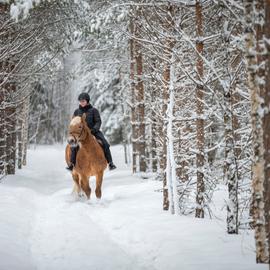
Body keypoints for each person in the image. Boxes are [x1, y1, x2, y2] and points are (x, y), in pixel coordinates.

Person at [66, 92, 117, 171]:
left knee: (105, 143)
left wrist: (94, 129)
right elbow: (74, 122)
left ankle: (110, 163)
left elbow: (98, 121)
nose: (82, 103)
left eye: (83, 101)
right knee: (74, 146)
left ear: (87, 101)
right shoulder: (77, 112)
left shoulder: (94, 110)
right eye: (80, 101)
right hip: (81, 134)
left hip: (94, 132)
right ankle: (72, 164)